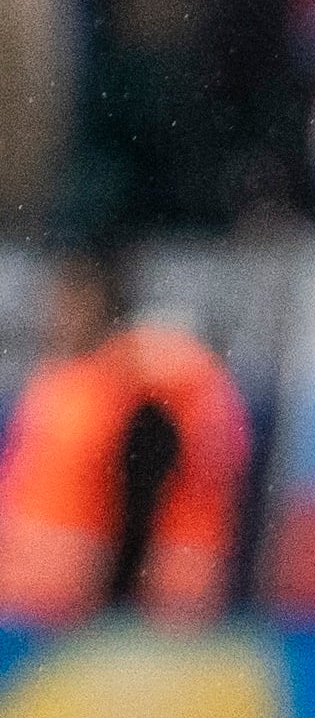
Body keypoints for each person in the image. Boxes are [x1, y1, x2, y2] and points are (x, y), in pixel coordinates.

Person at [0, 243, 249, 626]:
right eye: (56, 302)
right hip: (21, 587)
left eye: (72, 302)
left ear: (100, 303)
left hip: (82, 590)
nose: (58, 316)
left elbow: (216, 435)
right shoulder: (50, 382)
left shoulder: (133, 373)